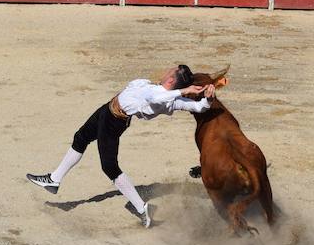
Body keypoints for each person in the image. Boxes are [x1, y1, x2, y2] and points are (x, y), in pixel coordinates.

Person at [26, 65, 215, 228]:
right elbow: (193, 105)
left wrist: (205, 99)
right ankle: (54, 179)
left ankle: (142, 209)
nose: (166, 70)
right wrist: (203, 97)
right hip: (108, 110)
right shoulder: (162, 92)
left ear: (172, 78)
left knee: (109, 167)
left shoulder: (167, 99)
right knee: (80, 137)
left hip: (114, 121)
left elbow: (186, 104)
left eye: (170, 70)